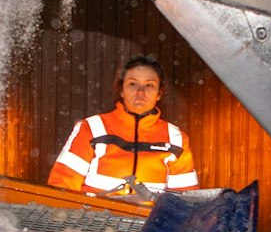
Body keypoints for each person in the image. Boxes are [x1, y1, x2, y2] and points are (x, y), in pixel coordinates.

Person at [46, 54, 198, 197]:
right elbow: (62, 185)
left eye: (149, 85)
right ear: (121, 90)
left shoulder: (177, 139)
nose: (140, 92)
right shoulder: (92, 128)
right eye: (132, 84)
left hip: (149, 223)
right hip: (94, 220)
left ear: (159, 93)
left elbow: (185, 201)